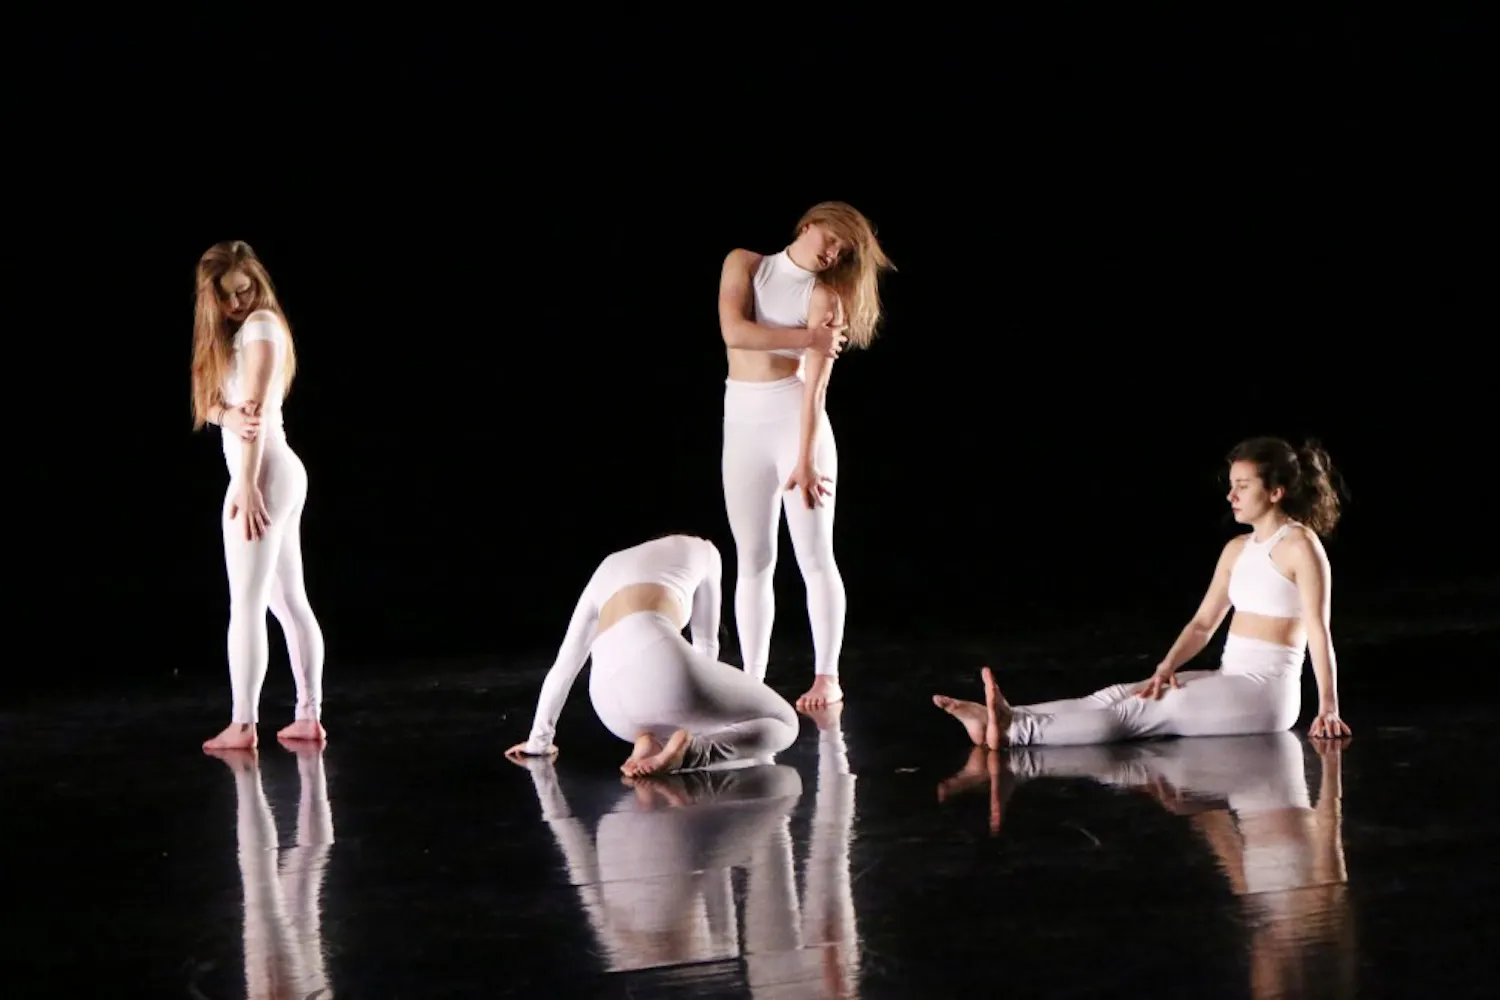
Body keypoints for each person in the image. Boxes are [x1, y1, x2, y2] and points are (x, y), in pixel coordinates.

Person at [934, 436, 1354, 747]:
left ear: (1276, 492)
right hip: (1233, 680)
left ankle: (1014, 733)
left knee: (1142, 711)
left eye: (1243, 485)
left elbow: (1319, 630)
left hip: (1267, 696)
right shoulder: (1237, 550)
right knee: (1123, 694)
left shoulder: (1300, 546)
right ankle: (1009, 716)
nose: (1231, 495)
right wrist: (1165, 667)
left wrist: (1328, 707)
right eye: (1232, 484)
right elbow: (1203, 623)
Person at [717, 201, 895, 712]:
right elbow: (735, 332)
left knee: (814, 558)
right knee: (752, 560)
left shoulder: (825, 298)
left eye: (843, 250)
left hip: (797, 425)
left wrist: (806, 459)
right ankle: (751, 680)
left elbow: (815, 389)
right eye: (832, 239)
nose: (833, 252)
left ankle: (827, 677)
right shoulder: (744, 264)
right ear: (809, 224)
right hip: (742, 423)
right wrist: (808, 338)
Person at [504, 534, 801, 775]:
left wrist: (538, 741)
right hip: (660, 664)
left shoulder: (608, 565)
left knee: (672, 706)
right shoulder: (704, 549)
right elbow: (706, 643)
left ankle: (647, 741)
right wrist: (708, 716)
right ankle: (693, 754)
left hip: (609, 704)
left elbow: (564, 667)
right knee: (785, 722)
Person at [192, 241, 327, 751]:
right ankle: (307, 716)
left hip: (264, 470)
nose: (236, 304)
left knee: (247, 604)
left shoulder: (262, 327)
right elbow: (218, 408)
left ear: (258, 284)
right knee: (287, 602)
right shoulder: (236, 336)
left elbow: (254, 418)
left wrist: (246, 485)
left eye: (244, 291)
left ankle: (243, 724)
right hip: (276, 471)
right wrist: (224, 415)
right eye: (225, 297)